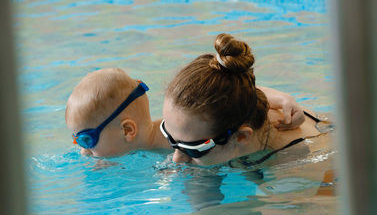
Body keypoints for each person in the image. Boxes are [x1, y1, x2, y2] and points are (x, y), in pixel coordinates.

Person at [161, 33, 331, 165]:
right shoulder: (236, 101)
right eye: (169, 136)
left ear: (241, 137)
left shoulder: (297, 164)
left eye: (193, 150)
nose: (176, 159)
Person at [66, 67, 305, 158]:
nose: (83, 151)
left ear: (128, 130)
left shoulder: (188, 122)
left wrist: (280, 99)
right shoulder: (185, 117)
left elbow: (228, 88)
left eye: (88, 139)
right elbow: (224, 89)